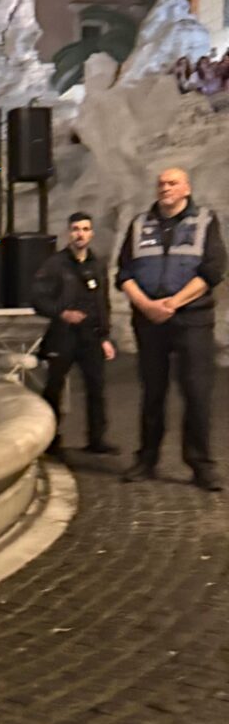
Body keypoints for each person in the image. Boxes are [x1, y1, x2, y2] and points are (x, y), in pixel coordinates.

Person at [117, 168, 225, 491]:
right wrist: (147, 306)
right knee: (152, 392)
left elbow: (213, 270)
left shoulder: (205, 222)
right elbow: (123, 273)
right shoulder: (139, 224)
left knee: (196, 393)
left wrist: (174, 302)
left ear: (187, 188)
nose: (165, 188)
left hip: (192, 320)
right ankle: (147, 458)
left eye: (172, 183)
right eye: (161, 183)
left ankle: (200, 464)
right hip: (149, 321)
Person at [30, 212, 117, 457]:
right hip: (63, 335)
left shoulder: (97, 264)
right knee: (53, 387)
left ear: (91, 233)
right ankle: (50, 439)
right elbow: (37, 298)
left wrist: (105, 336)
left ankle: (97, 439)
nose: (80, 233)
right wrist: (62, 313)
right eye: (76, 229)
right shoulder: (54, 264)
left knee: (96, 387)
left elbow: (103, 302)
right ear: (69, 233)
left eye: (85, 229)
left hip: (91, 337)